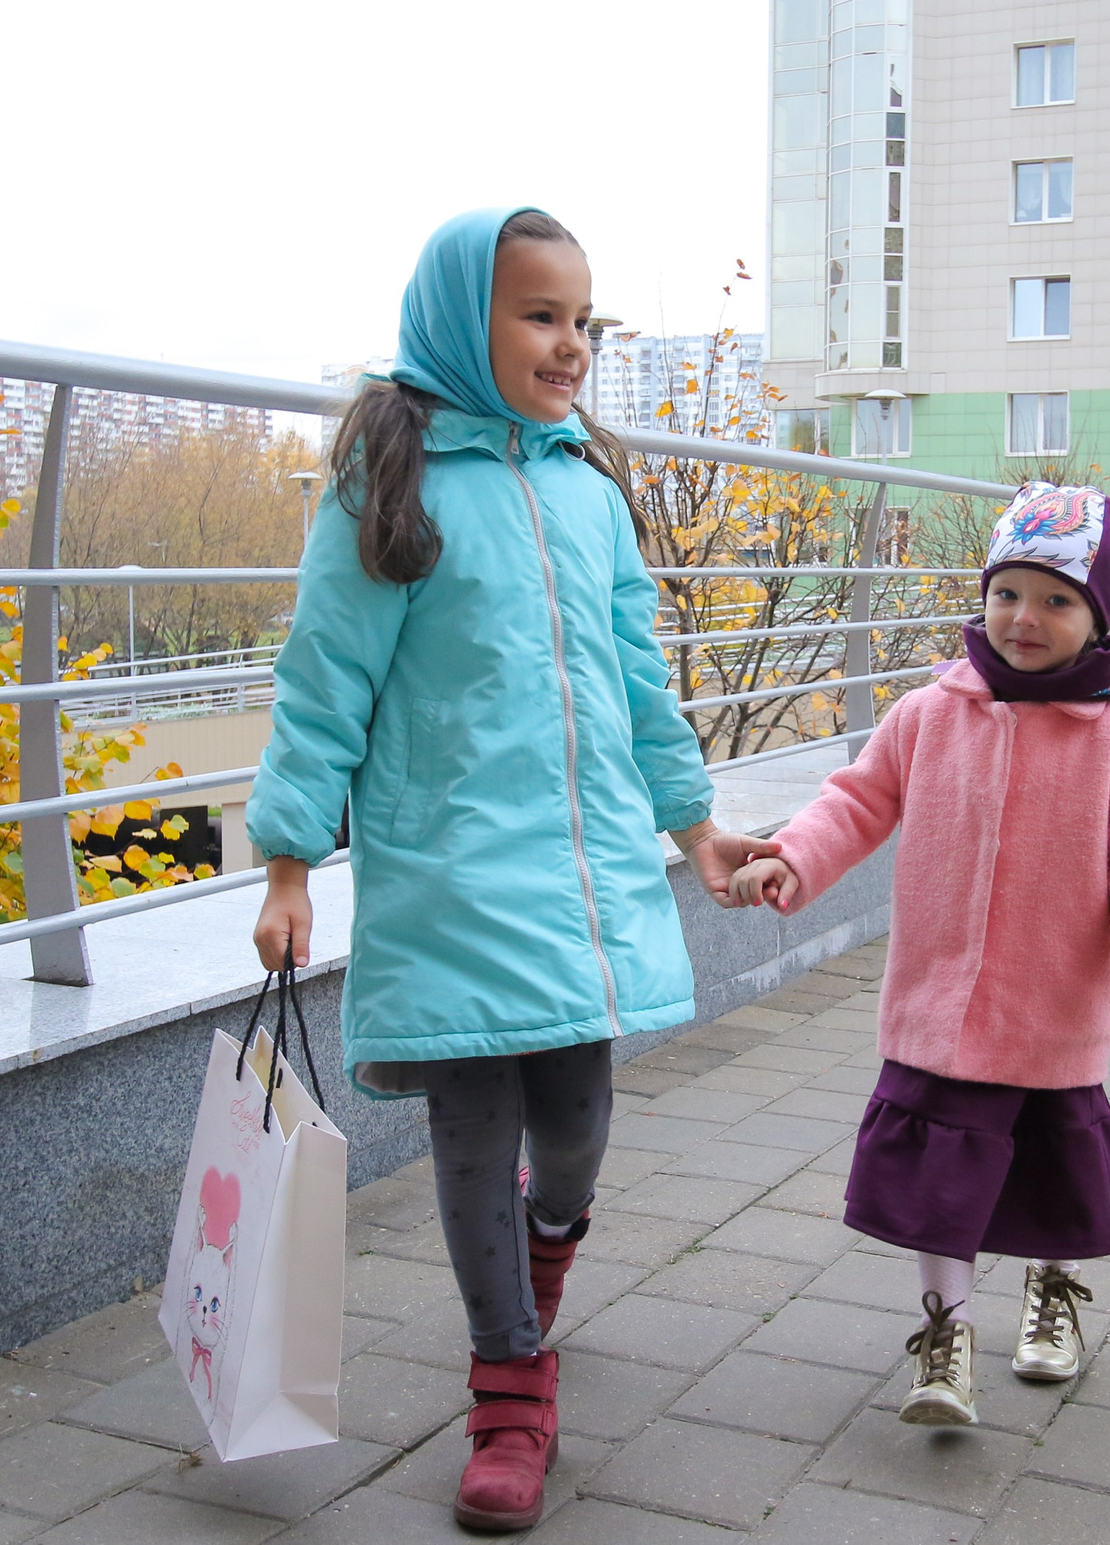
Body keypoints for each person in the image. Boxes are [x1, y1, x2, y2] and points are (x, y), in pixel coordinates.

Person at [246, 207, 774, 1531]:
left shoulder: (589, 491)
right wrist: (289, 862)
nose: (571, 343)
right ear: (456, 322)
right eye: (540, 315)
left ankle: (546, 1247)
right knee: (474, 1130)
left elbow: (638, 680)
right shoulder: (392, 482)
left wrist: (694, 824)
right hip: (447, 876)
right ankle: (508, 1384)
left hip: (580, 877)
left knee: (576, 1128)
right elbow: (324, 681)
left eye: (582, 319)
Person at [728, 482, 1110, 1425]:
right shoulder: (928, 713)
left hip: (1051, 1010)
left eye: (1057, 600)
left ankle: (1051, 1291)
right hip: (940, 1007)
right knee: (942, 1181)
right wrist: (792, 858)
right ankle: (947, 1335)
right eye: (1007, 592)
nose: (1025, 617)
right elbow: (857, 801)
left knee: (1056, 1171)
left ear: (1098, 615)